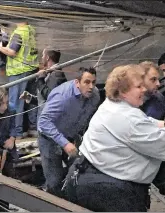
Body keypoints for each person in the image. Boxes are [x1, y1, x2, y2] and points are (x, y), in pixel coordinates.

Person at [65, 64, 165, 212]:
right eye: (138, 87)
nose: (144, 90)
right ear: (123, 92)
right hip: (108, 190)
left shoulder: (113, 105)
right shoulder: (126, 118)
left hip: (89, 177)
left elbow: (145, 122)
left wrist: (161, 124)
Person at [37, 67, 100, 198]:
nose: (91, 86)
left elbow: (88, 119)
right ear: (77, 82)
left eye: (93, 82)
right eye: (86, 82)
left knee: (79, 175)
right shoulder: (63, 96)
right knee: (54, 182)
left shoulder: (94, 96)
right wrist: (64, 143)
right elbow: (43, 122)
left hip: (71, 136)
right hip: (50, 139)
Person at [0, 22, 39, 139]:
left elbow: (12, 52)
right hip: (31, 69)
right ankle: (33, 128)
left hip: (19, 72)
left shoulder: (19, 33)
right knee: (30, 100)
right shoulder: (30, 30)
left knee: (16, 102)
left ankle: (17, 132)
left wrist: (0, 47)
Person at [139, 61, 165, 196]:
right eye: (153, 79)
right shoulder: (126, 100)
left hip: (153, 158)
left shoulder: (159, 100)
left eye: (158, 79)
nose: (158, 84)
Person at [20, 48, 67, 116]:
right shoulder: (50, 73)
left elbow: (50, 96)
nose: (41, 58)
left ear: (47, 58)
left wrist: (40, 79)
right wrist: (30, 98)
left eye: (43, 55)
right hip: (44, 115)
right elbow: (44, 99)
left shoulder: (56, 74)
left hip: (49, 116)